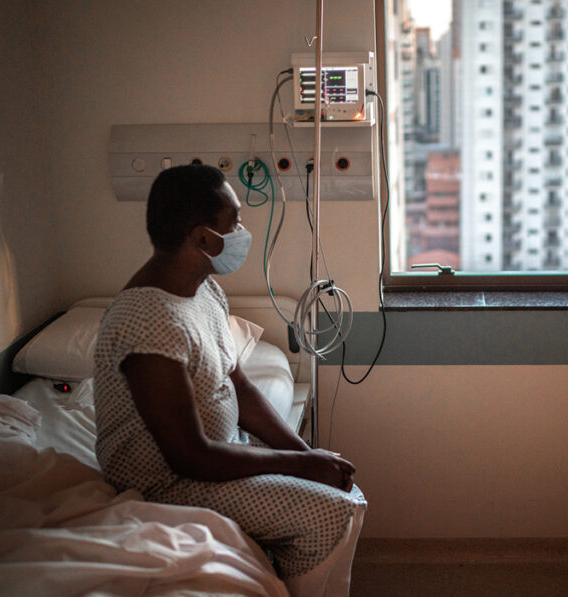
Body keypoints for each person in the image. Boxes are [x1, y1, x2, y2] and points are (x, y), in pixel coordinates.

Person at [93, 165, 366, 597]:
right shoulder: (148, 322)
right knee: (332, 513)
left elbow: (239, 386)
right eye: (234, 222)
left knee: (346, 492)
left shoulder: (204, 290)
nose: (242, 231)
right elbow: (188, 456)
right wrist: (301, 466)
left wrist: (306, 454)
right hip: (167, 485)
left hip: (220, 453)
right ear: (203, 238)